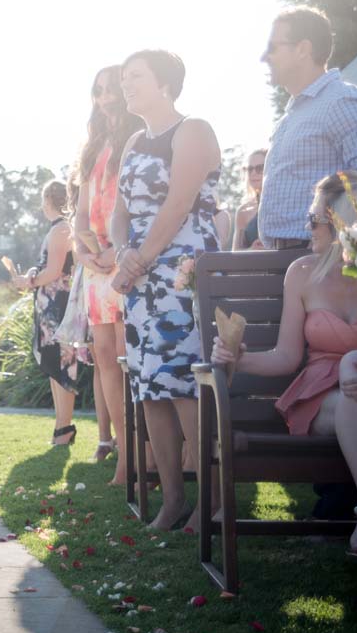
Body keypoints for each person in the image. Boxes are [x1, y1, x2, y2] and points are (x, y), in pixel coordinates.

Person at [213, 172, 357, 560]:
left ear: (343, 225)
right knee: (353, 369)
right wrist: (238, 358)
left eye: (314, 220)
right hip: (320, 397)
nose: (306, 227)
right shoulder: (301, 273)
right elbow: (287, 356)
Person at [111, 49, 222, 531]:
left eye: (135, 76)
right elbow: (118, 213)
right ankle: (172, 501)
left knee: (183, 382)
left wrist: (139, 258)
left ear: (165, 84)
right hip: (139, 278)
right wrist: (123, 253)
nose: (126, 84)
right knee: (150, 385)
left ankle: (210, 501)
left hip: (181, 271)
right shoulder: (134, 140)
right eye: (124, 77)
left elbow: (179, 203)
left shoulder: (193, 130)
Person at [258, 6, 357, 250]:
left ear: (303, 49)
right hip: (286, 257)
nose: (264, 57)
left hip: (321, 258)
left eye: (272, 48)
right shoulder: (289, 118)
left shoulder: (343, 101)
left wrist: (333, 251)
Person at [73, 64, 142, 478]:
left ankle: (143, 450)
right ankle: (123, 451)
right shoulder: (92, 149)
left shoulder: (138, 140)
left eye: (110, 88)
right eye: (98, 90)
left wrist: (118, 249)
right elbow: (81, 211)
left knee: (125, 352)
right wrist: (83, 250)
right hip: (96, 265)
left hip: (127, 258)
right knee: (103, 356)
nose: (104, 97)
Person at [13, 180, 78, 445]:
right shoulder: (56, 229)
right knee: (53, 365)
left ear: (50, 200)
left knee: (62, 364)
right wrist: (31, 274)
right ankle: (60, 425)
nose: (42, 206)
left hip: (58, 308)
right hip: (49, 307)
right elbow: (46, 267)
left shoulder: (62, 229)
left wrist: (29, 282)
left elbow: (54, 271)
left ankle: (65, 427)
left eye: (43, 200)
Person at [232, 148, 267, 250]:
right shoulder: (243, 211)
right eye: (249, 169)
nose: (253, 173)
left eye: (260, 168)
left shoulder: (284, 204)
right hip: (252, 260)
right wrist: (251, 250)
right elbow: (235, 252)